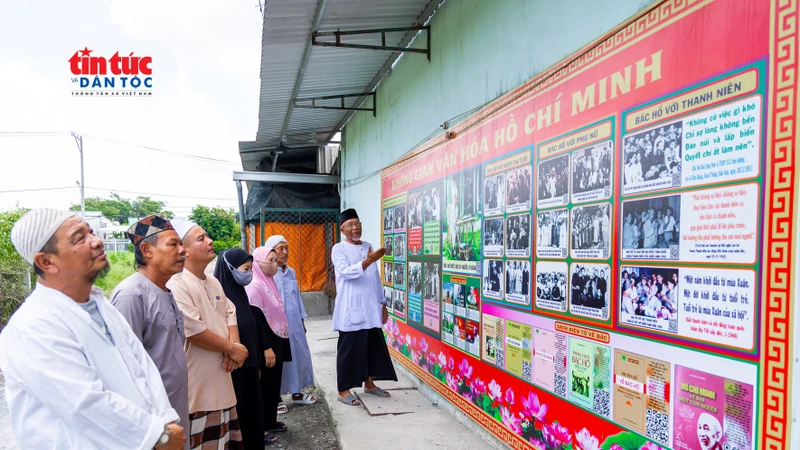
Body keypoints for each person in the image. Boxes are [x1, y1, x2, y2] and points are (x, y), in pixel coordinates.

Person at [0, 209, 186, 450]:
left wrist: (166, 418)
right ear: (46, 262)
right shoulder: (33, 326)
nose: (96, 241)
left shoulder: (99, 304)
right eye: (80, 238)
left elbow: (141, 367)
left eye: (91, 231)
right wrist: (157, 435)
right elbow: (83, 404)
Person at [110, 214, 190, 449]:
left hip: (174, 406)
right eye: (173, 244)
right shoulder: (131, 295)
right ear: (147, 250)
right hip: (154, 420)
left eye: (181, 244)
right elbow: (124, 369)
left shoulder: (165, 290)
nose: (182, 250)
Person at [167, 218, 246, 450]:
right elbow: (194, 330)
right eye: (201, 238)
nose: (210, 241)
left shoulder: (212, 281)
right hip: (197, 388)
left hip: (222, 377)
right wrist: (232, 349)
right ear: (185, 250)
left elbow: (230, 311)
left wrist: (235, 345)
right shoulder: (177, 284)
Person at [214, 248, 281, 448]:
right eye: (245, 268)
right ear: (230, 269)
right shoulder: (220, 297)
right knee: (240, 412)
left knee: (253, 409)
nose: (249, 273)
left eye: (251, 268)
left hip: (250, 363)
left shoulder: (240, 292)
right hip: (233, 367)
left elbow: (253, 322)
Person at [331, 208, 398, 406]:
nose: (355, 227)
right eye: (350, 224)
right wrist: (369, 260)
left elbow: (374, 278)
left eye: (357, 223)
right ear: (343, 229)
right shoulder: (339, 249)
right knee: (349, 351)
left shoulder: (367, 245)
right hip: (351, 310)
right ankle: (343, 390)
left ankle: (369, 384)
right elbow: (346, 272)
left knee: (371, 348)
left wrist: (382, 303)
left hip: (371, 308)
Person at [266, 235, 318, 406]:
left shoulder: (291, 272)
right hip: (275, 324)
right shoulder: (268, 273)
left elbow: (297, 298)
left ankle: (297, 392)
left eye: (286, 247)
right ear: (271, 250)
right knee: (279, 358)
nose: (285, 252)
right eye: (280, 248)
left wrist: (302, 321)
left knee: (298, 354)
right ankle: (276, 397)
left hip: (294, 321)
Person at [246, 245, 293, 435]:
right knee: (266, 384)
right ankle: (263, 426)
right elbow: (256, 321)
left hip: (278, 337)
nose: (275, 264)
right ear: (258, 263)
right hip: (268, 343)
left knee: (274, 384)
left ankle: (271, 421)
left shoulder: (269, 282)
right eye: (271, 260)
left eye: (276, 260)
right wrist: (266, 348)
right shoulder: (255, 286)